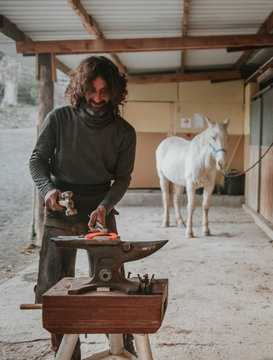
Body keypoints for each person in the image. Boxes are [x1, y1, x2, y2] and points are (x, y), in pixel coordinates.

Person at [29, 56, 136, 358]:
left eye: (105, 91)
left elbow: (123, 178)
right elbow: (37, 160)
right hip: (61, 209)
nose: (98, 98)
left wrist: (104, 207)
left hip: (100, 214)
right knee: (55, 288)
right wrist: (48, 189)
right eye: (92, 90)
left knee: (113, 285)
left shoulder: (124, 132)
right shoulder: (59, 119)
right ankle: (65, 352)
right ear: (80, 87)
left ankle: (122, 348)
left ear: (115, 92)